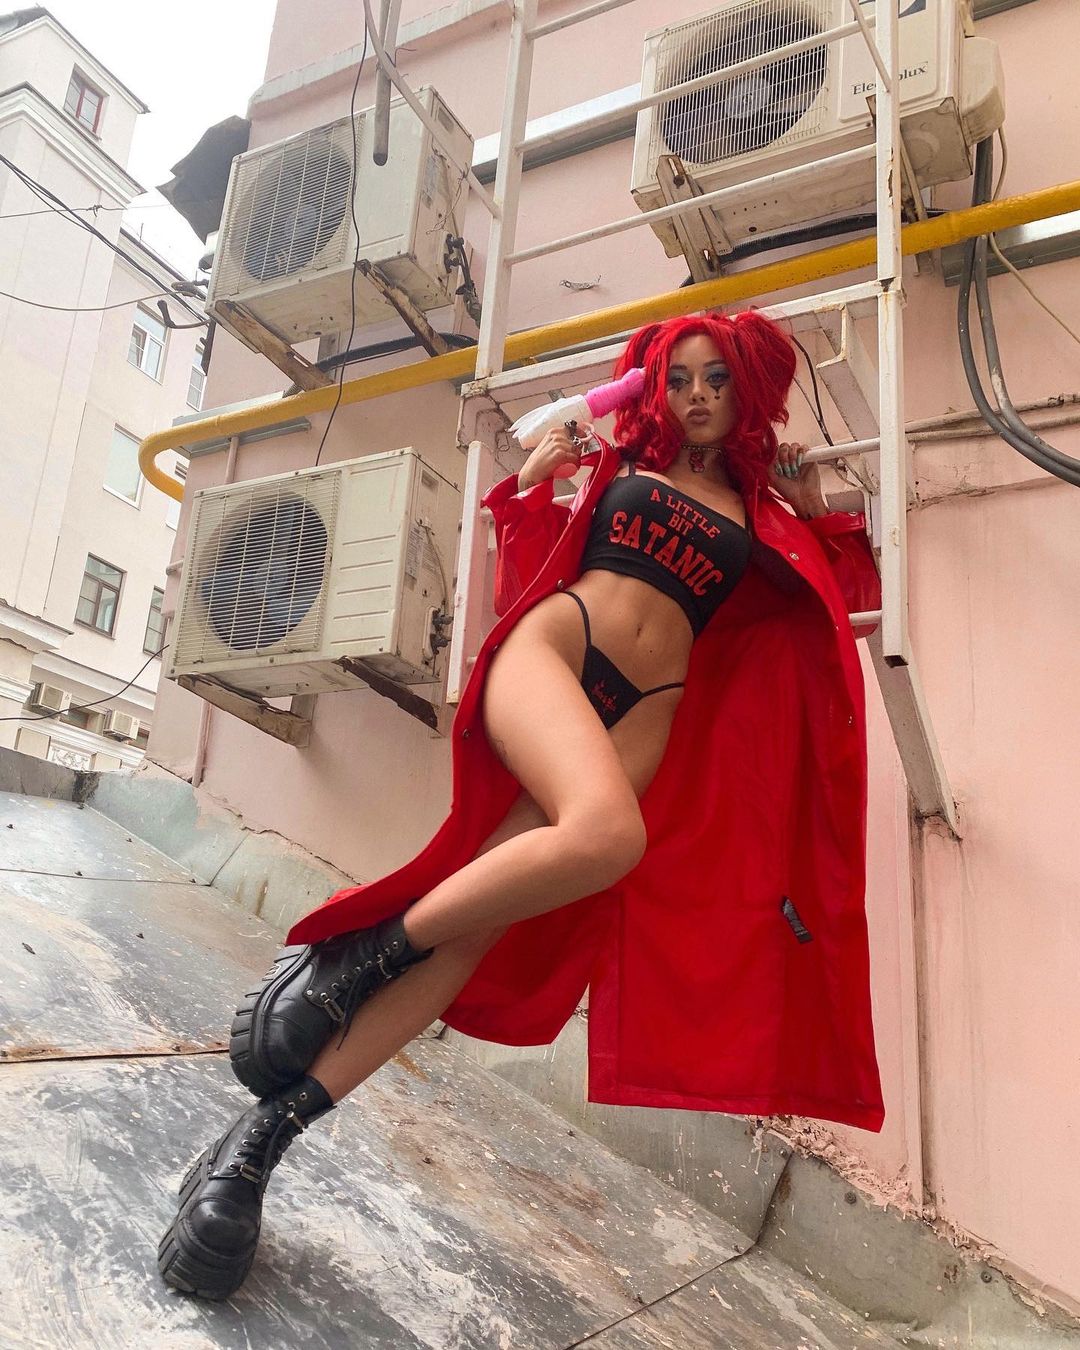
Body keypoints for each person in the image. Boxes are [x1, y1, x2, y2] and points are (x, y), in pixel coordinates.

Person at [159, 311, 885, 1301]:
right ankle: (358, 957)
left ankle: (256, 1145)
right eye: (680, 378)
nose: (697, 396)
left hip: (646, 714)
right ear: (656, 387)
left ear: (747, 392)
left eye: (718, 379)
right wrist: (539, 481)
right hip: (558, 648)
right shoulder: (620, 458)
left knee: (475, 938)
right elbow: (530, 563)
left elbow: (834, 612)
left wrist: (812, 505)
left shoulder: (763, 512)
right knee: (608, 835)